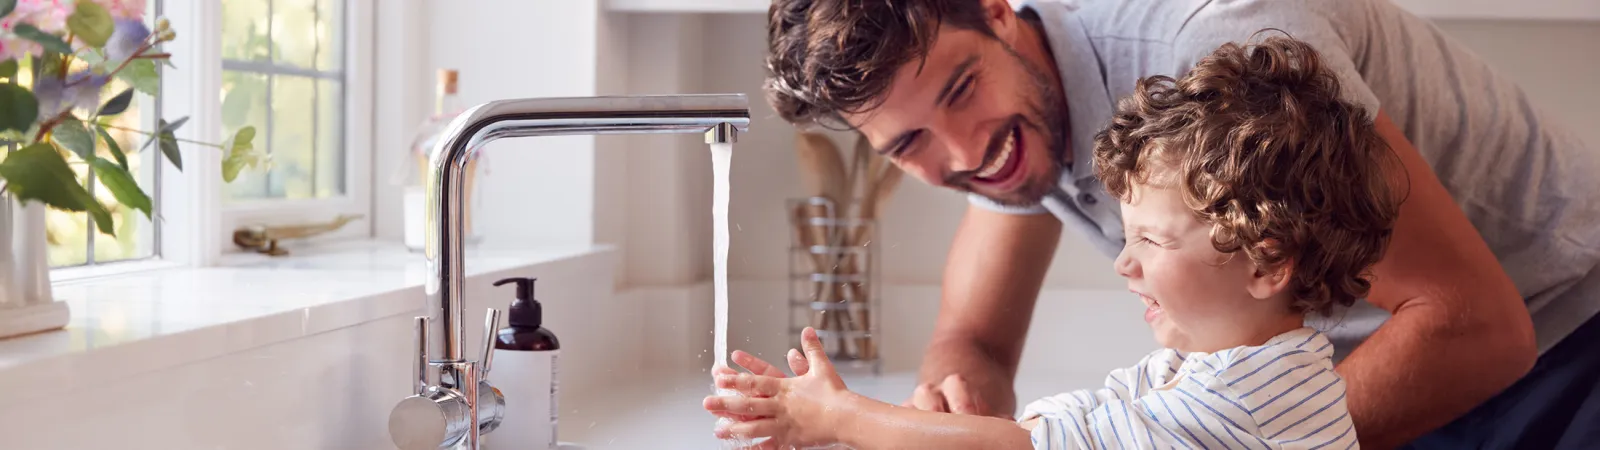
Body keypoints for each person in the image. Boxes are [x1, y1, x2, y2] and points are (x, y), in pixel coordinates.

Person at [756, 0, 1600, 448]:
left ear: (997, 8)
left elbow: (1479, 329)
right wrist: (959, 404)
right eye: (909, 144)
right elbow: (973, 336)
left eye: (959, 89)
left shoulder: (1224, 54)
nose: (966, 153)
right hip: (1375, 371)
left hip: (1567, 334)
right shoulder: (1006, 133)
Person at [706, 35, 1399, 449]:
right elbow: (1072, 417)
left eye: (1152, 241)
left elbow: (1026, 446)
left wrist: (844, 416)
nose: (1124, 264)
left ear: (1268, 261)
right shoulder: (1214, 369)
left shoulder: (1248, 400)